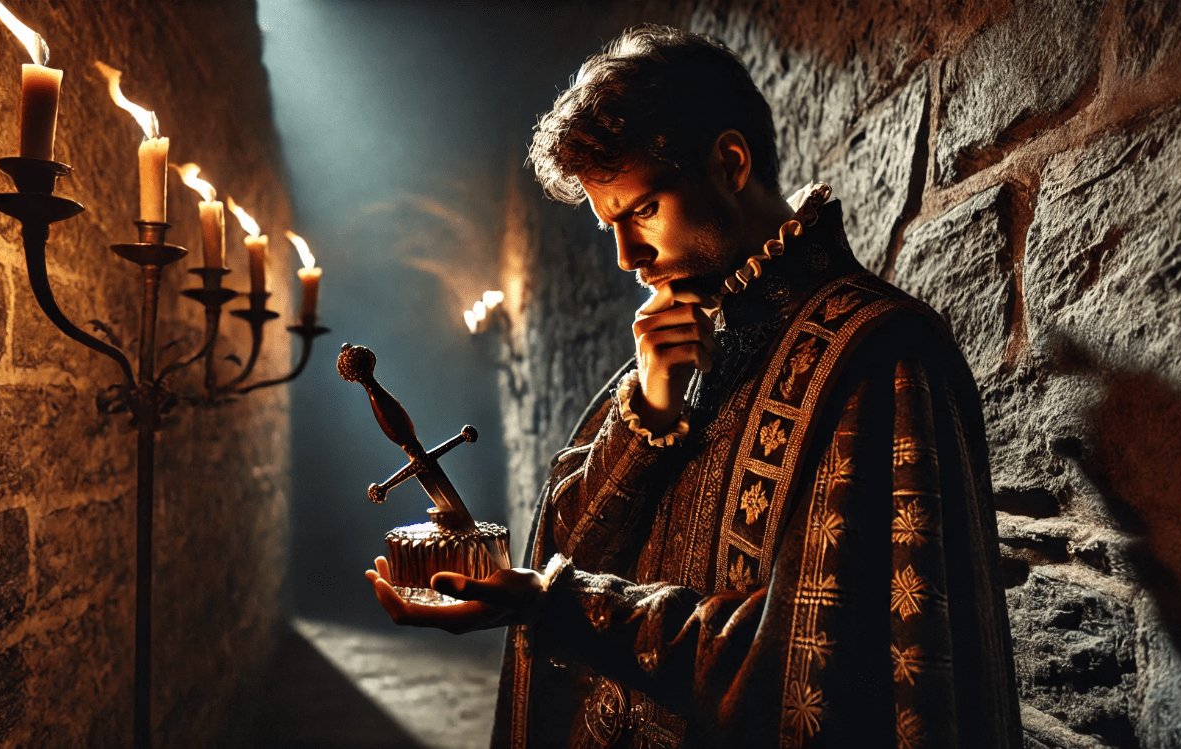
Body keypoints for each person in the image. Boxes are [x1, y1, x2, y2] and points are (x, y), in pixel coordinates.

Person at [365, 24, 1022, 749]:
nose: (626, 256)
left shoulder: (881, 355)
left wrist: (556, 603)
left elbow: (810, 665)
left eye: (643, 210)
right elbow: (567, 542)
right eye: (609, 225)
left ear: (731, 163)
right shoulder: (668, 353)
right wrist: (647, 412)